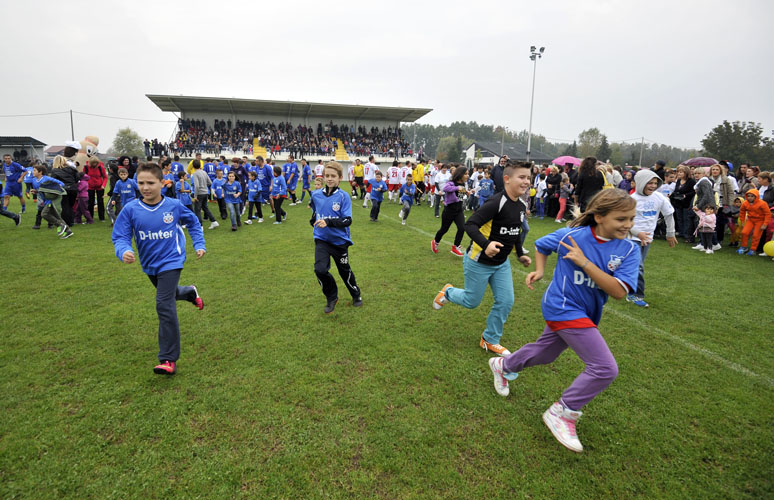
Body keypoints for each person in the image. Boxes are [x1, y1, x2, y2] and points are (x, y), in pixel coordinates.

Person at [487, 189, 640, 453]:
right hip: (561, 306)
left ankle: (503, 365)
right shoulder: (572, 236)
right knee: (604, 368)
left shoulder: (629, 249)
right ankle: (563, 412)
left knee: (546, 354)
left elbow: (618, 291)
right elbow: (541, 245)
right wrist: (540, 270)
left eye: (631, 219)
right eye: (621, 219)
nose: (627, 225)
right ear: (599, 217)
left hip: (587, 311)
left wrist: (585, 263)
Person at [111, 162, 205, 375]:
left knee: (164, 305)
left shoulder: (174, 205)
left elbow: (193, 223)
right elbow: (120, 236)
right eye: (141, 183)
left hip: (172, 261)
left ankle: (168, 359)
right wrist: (123, 250)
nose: (145, 187)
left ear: (162, 183)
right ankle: (189, 292)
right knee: (169, 294)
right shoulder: (131, 209)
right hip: (149, 264)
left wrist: (199, 244)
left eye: (150, 183)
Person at [432, 161, 532, 356]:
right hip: (478, 261)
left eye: (528, 178)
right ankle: (448, 292)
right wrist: (486, 245)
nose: (526, 181)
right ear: (507, 179)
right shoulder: (496, 202)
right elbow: (470, 225)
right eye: (521, 177)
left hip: (501, 264)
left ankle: (490, 339)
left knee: (505, 301)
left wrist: (520, 254)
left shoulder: (521, 205)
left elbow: (515, 232)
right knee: (471, 301)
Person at [309, 161, 362, 314]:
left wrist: (328, 221)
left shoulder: (344, 197)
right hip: (322, 239)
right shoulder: (316, 195)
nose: (330, 179)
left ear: (340, 178)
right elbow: (316, 212)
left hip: (340, 242)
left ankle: (356, 294)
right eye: (327, 176)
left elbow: (347, 220)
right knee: (320, 270)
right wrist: (314, 220)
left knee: (344, 271)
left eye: (333, 176)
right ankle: (332, 297)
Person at [628, 170, 677, 307]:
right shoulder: (631, 200)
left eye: (655, 183)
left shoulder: (659, 197)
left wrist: (670, 233)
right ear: (640, 183)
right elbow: (624, 221)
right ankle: (636, 295)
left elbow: (669, 214)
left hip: (647, 238)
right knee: (638, 266)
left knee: (635, 265)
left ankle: (622, 282)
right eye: (649, 183)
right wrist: (638, 233)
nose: (653, 186)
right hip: (631, 237)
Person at [432, 166, 470, 256]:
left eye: (468, 174)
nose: (467, 175)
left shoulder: (463, 184)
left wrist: (466, 192)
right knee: (444, 229)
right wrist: (458, 188)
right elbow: (445, 189)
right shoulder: (451, 183)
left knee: (462, 228)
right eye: (465, 174)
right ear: (460, 174)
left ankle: (455, 247)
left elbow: (460, 195)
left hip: (459, 211)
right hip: (449, 211)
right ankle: (435, 242)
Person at [30, 164, 70, 237]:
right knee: (57, 217)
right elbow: (42, 190)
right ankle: (68, 231)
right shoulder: (34, 180)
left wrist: (54, 190)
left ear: (40, 172)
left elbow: (61, 184)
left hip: (52, 200)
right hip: (45, 200)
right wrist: (36, 191)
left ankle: (60, 225)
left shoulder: (47, 179)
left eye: (35, 170)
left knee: (44, 214)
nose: (33, 172)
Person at [736, 189, 771, 256]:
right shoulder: (745, 203)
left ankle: (753, 249)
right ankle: (744, 247)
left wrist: (765, 224)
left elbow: (767, 214)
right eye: (748, 196)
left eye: (752, 196)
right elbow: (742, 212)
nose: (750, 198)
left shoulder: (762, 203)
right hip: (750, 220)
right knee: (744, 232)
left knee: (756, 235)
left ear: (756, 196)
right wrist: (742, 221)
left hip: (760, 220)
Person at [671, 166, 696, 243]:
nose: (679, 173)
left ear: (686, 173)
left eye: (681, 172)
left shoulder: (691, 181)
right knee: (679, 218)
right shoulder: (678, 181)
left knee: (686, 219)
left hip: (687, 203)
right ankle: (681, 232)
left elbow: (694, 192)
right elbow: (676, 190)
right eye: (678, 172)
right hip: (678, 202)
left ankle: (687, 234)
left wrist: (686, 195)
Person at [190, 160, 217, 229]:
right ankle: (214, 221)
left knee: (197, 210)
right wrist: (204, 185)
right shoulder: (204, 172)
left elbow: (196, 186)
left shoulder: (195, 174)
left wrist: (195, 196)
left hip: (199, 193)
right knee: (205, 208)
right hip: (206, 192)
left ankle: (200, 226)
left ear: (193, 166)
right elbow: (210, 182)